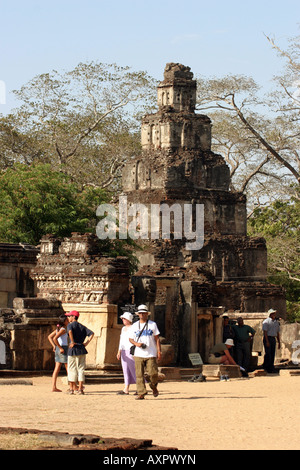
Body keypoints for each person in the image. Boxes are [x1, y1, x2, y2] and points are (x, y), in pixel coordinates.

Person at [129, 304, 161, 400]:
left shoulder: (152, 324)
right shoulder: (134, 326)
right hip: (139, 353)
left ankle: (153, 386)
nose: (142, 315)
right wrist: (137, 344)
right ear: (138, 314)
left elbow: (157, 338)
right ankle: (141, 392)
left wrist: (159, 351)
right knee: (139, 374)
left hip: (151, 352)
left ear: (147, 314)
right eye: (140, 313)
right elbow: (130, 339)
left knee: (153, 373)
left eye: (144, 313)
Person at [66, 310, 94, 395]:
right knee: (81, 369)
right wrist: (86, 343)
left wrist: (72, 341)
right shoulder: (82, 326)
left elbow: (70, 331)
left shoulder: (70, 325)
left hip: (73, 348)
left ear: (74, 317)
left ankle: (71, 388)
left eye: (70, 316)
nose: (68, 317)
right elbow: (91, 334)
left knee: (71, 368)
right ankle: (80, 388)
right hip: (81, 348)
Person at [116, 311, 136, 395]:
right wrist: (119, 351)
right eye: (122, 318)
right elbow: (121, 340)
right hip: (124, 350)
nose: (123, 320)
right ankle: (126, 388)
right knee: (125, 369)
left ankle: (139, 387)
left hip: (131, 350)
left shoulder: (134, 328)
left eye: (124, 318)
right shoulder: (123, 329)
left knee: (133, 369)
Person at [48, 314, 68, 392]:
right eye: (66, 320)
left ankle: (53, 386)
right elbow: (55, 338)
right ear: (64, 322)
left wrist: (54, 346)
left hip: (58, 348)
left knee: (57, 368)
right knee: (67, 367)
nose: (68, 321)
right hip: (63, 348)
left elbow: (50, 337)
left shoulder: (57, 329)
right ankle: (73, 385)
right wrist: (60, 347)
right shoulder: (63, 329)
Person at [262, 308, 281, 373]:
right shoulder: (266, 322)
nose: (274, 315)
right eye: (272, 313)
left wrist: (279, 342)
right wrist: (267, 341)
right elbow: (265, 332)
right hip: (268, 338)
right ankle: (266, 367)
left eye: (274, 313)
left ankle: (271, 367)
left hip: (273, 338)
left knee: (272, 353)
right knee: (268, 353)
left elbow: (278, 333)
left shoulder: (276, 323)